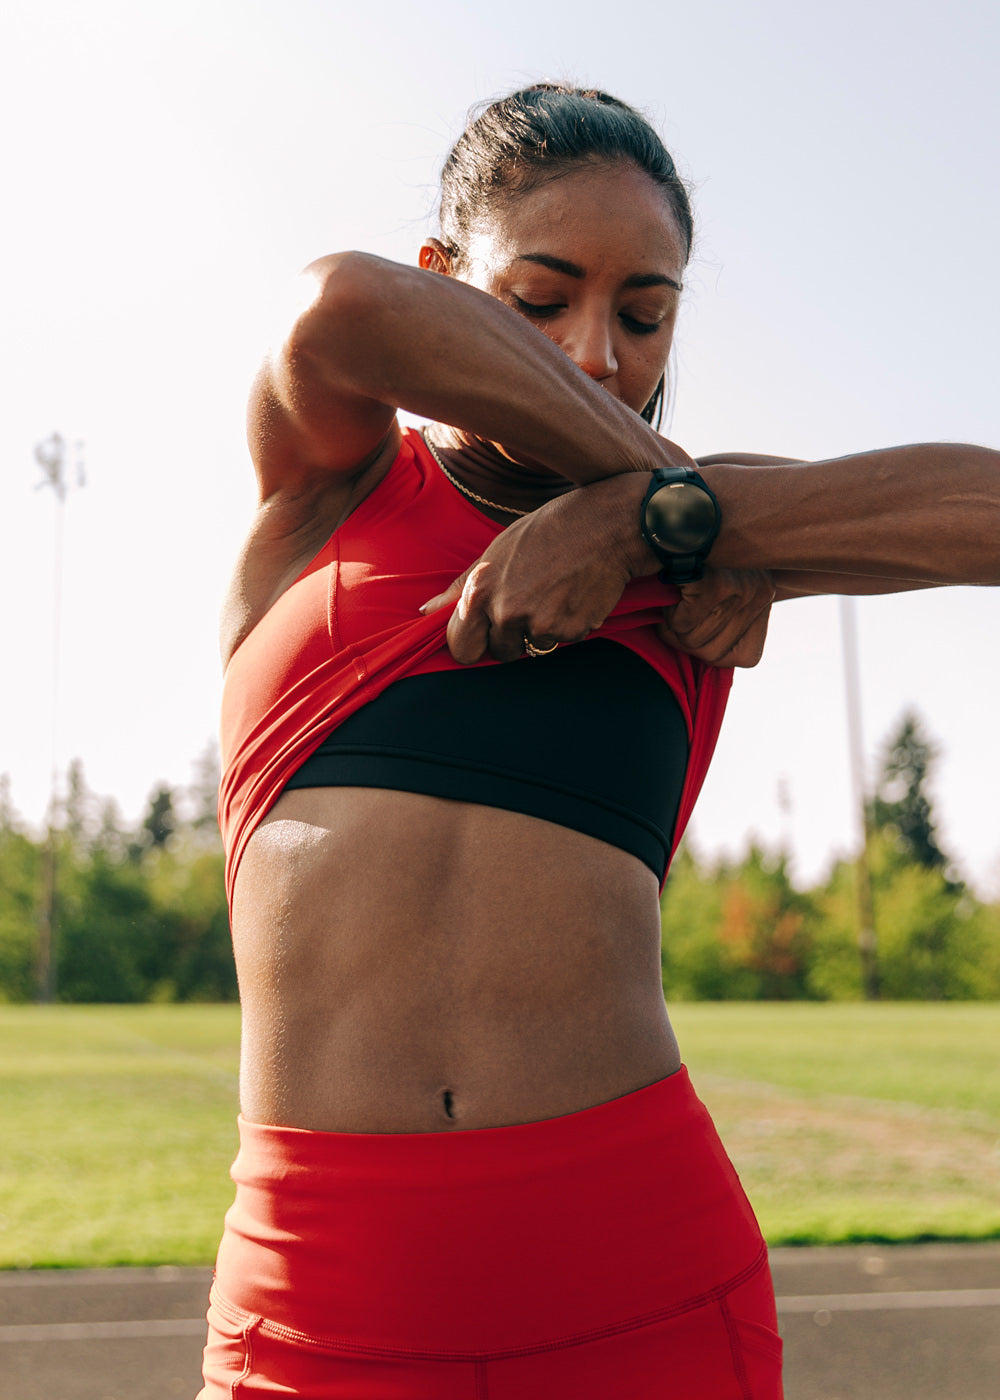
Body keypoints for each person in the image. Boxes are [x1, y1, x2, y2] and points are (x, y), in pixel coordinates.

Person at [200, 85, 999, 1400]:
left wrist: (642, 532)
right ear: (447, 280)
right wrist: (664, 492)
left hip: (639, 1281)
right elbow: (335, 306)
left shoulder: (701, 546)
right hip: (319, 1289)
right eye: (540, 298)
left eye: (643, 314)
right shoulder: (328, 491)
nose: (595, 351)